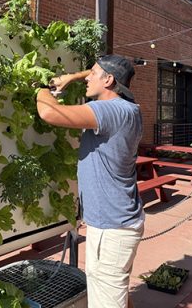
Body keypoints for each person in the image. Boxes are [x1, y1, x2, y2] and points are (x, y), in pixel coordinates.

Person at [36, 54, 144, 308]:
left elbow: (49, 113)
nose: (87, 77)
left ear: (108, 80)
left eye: (92, 73)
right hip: (118, 222)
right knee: (115, 293)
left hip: (111, 229)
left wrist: (41, 87)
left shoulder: (110, 111)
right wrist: (72, 77)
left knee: (106, 300)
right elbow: (97, 75)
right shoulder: (128, 108)